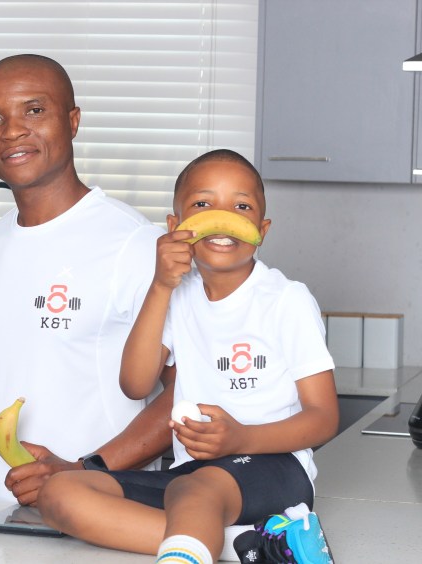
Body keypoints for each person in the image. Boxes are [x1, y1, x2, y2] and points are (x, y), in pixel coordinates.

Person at [38, 149, 338, 563]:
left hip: (274, 465)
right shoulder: (177, 294)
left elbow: (324, 418)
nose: (223, 216)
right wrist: (161, 285)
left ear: (261, 229)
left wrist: (241, 438)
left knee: (194, 491)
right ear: (175, 226)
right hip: (191, 474)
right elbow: (135, 384)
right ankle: (247, 545)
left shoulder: (286, 299)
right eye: (203, 204)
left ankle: (196, 545)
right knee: (60, 492)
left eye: (241, 206)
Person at [0, 54, 174, 504]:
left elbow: (188, 391)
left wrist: (85, 470)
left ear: (73, 121)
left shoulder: (135, 243)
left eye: (34, 110)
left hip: (103, 507)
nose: (12, 131)